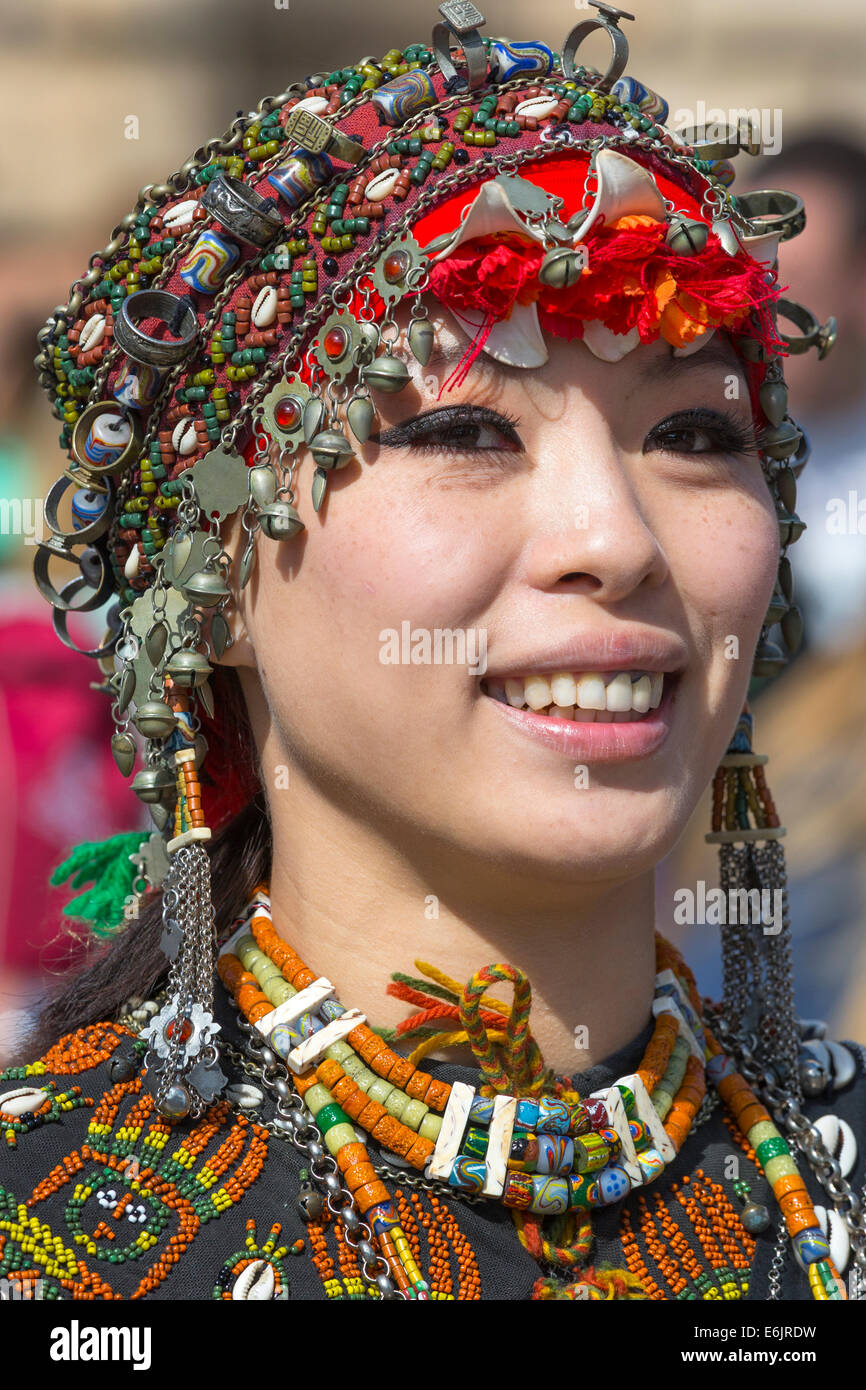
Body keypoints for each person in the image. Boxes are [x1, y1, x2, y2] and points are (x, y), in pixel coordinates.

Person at [2, 3, 863, 1303]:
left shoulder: (824, 1179)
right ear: (214, 574)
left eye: (693, 434)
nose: (611, 539)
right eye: (462, 431)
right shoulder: (42, 1231)